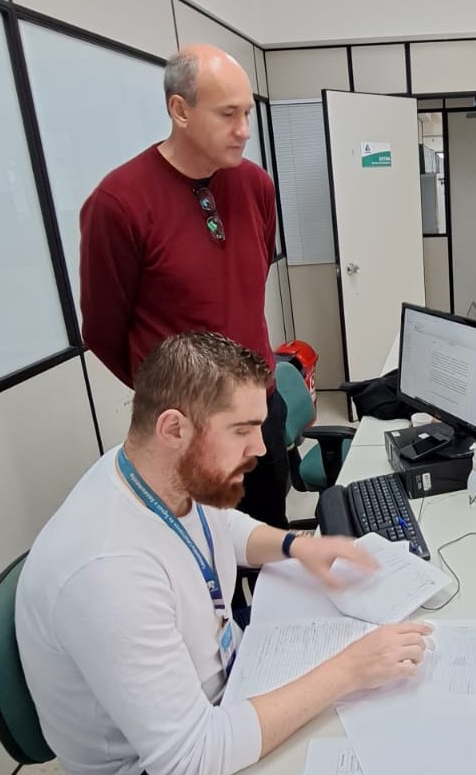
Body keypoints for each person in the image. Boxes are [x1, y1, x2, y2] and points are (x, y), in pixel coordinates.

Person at [16, 332, 432, 775]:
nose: (260, 447)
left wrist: (297, 546)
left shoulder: (152, 469)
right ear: (174, 428)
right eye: (242, 430)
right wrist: (349, 670)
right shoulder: (107, 573)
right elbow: (191, 758)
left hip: (229, 680)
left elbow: (222, 525)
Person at [79, 44, 288, 528]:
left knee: (266, 540)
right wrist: (179, 395)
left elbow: (249, 281)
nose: (244, 130)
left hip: (260, 408)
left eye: (247, 113)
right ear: (180, 110)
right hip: (187, 431)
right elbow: (104, 332)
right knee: (200, 554)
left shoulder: (256, 185)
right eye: (228, 114)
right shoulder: (118, 203)